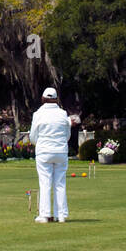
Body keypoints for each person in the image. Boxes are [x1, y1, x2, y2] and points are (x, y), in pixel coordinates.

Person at [30, 87, 71, 224]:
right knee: (60, 183)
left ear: (43, 99)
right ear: (55, 99)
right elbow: (67, 134)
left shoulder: (38, 114)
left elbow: (33, 136)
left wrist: (38, 144)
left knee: (45, 183)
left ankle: (45, 215)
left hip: (44, 152)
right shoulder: (63, 113)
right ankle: (61, 215)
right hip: (61, 151)